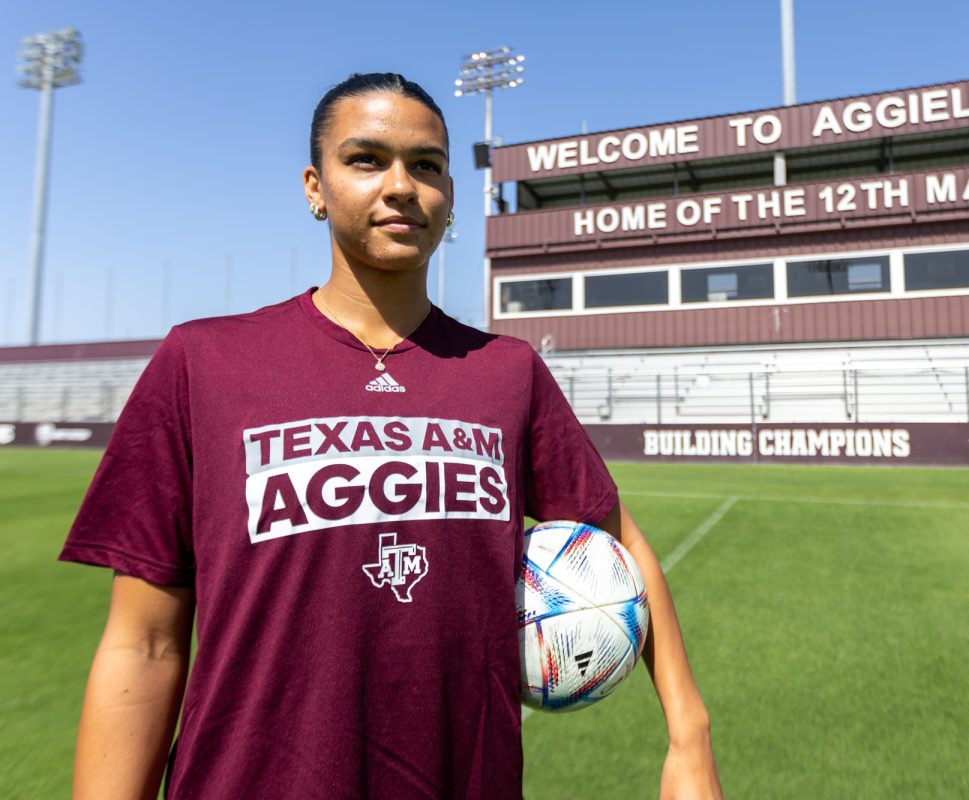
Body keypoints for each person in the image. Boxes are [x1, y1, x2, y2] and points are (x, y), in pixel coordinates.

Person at [62, 72, 722, 799]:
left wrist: (689, 739)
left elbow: (619, 541)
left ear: (449, 200)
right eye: (367, 159)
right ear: (316, 187)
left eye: (428, 165)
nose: (402, 185)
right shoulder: (204, 362)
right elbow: (145, 643)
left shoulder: (507, 372)